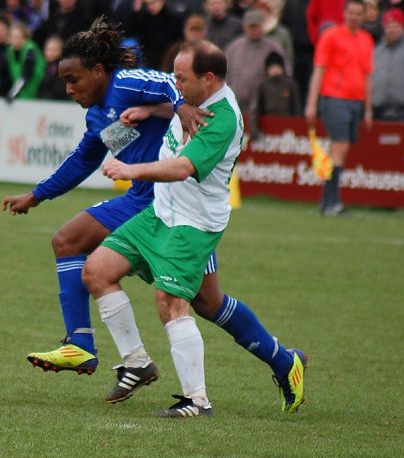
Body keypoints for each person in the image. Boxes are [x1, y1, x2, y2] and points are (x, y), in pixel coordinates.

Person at [2, 18, 307, 414]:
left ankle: (258, 372)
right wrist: (38, 195)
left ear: (98, 71)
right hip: (151, 200)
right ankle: (100, 350)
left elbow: (168, 85)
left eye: (74, 79)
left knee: (203, 303)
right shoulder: (99, 115)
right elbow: (84, 159)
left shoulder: (129, 84)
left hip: (179, 205)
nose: (69, 89)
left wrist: (174, 107)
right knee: (82, 253)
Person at [85, 41, 303, 417]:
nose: (176, 84)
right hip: (163, 211)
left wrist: (130, 171)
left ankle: (196, 401)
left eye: (181, 79)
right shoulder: (193, 97)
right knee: (98, 271)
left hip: (193, 225)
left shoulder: (224, 118)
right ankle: (137, 362)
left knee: (171, 302)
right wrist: (154, 108)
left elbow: (184, 167)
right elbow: (176, 101)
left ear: (209, 78)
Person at [304, 0, 374, 217]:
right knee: (339, 148)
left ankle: (327, 203)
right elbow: (319, 71)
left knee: (342, 150)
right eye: (351, 12)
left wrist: (368, 108)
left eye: (358, 13)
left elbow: (367, 76)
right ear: (344, 14)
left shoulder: (366, 40)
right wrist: (312, 104)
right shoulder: (331, 36)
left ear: (364, 16)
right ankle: (332, 202)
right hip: (334, 98)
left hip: (355, 101)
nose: (354, 17)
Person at [224, 9, 287, 124]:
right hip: (235, 106)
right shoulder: (234, 48)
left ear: (263, 26)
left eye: (257, 26)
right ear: (245, 27)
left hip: (263, 110)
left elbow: (285, 77)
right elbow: (224, 74)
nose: (254, 30)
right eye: (251, 26)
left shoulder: (273, 49)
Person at [5, 21, 45, 99]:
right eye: (12, 37)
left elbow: (26, 74)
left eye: (17, 37)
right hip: (22, 93)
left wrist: (13, 93)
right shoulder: (10, 51)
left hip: (36, 92)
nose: (14, 40)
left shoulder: (30, 49)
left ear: (24, 38)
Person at [36, 34, 70, 100]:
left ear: (60, 51)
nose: (49, 53)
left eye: (53, 50)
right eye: (47, 50)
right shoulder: (45, 66)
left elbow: (59, 90)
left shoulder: (62, 67)